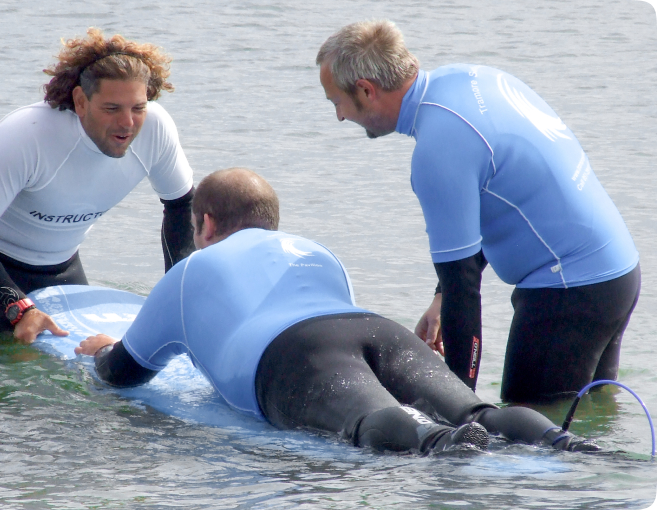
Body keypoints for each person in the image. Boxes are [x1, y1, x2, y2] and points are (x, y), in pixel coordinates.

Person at [75, 168, 599, 454]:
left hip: (293, 355)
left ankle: (436, 443)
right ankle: (563, 442)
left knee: (369, 420)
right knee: (479, 413)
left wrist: (104, 350)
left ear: (205, 224)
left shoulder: (187, 273)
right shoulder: (315, 250)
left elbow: (123, 374)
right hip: (378, 330)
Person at [316, 20, 640, 402]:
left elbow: (463, 292)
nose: (339, 117)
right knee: (583, 429)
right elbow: (499, 198)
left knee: (531, 444)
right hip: (617, 273)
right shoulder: (469, 79)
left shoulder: (438, 150)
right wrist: (441, 297)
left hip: (568, 293)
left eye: (336, 102)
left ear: (366, 91)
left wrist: (459, 411)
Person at [0, 28, 195, 343]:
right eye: (112, 108)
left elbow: (181, 205)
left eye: (138, 108)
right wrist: (19, 308)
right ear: (81, 101)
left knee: (85, 380)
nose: (128, 123)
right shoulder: (27, 135)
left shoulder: (156, 131)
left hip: (64, 267)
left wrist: (179, 299)